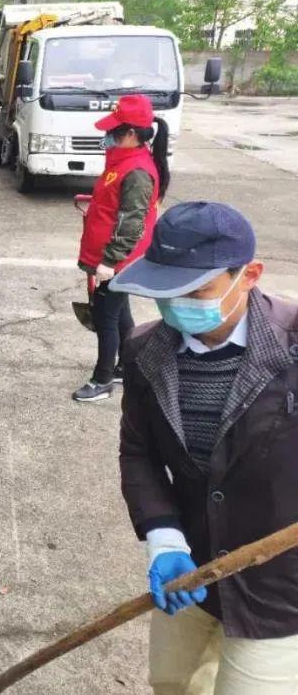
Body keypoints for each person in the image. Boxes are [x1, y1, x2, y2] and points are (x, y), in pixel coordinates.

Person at [112, 201, 298, 695]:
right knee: (172, 681)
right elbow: (140, 453)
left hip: (282, 590)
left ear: (250, 275)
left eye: (196, 291)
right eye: (164, 292)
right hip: (191, 567)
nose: (176, 306)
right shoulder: (145, 349)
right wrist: (164, 538)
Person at [73, 94, 170, 403]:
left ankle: (102, 379)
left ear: (130, 134)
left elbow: (132, 222)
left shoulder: (138, 171)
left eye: (114, 130)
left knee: (105, 316)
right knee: (119, 312)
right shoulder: (123, 162)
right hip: (110, 255)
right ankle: (128, 366)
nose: (108, 136)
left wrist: (110, 261)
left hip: (118, 259)